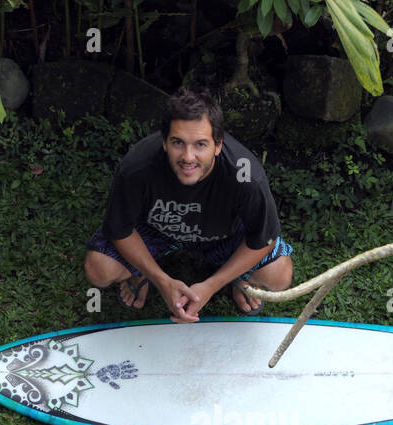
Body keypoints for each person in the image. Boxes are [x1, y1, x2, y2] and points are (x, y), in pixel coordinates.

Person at [83, 87, 293, 322]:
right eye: (178, 143)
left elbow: (263, 238)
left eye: (200, 144)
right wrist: (161, 280)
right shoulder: (136, 167)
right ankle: (140, 272)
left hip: (223, 236)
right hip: (156, 231)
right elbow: (119, 229)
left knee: (279, 275)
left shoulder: (246, 176)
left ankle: (239, 278)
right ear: (164, 142)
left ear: (218, 144)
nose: (188, 157)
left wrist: (212, 285)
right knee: (99, 269)